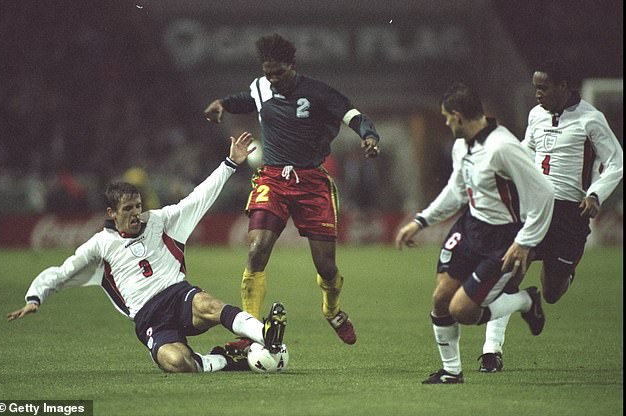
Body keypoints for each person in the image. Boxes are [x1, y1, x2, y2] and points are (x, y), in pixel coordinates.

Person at [7, 132, 288, 373]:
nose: (135, 213)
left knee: (207, 305)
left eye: (137, 206)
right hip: (149, 317)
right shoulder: (99, 246)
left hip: (179, 296)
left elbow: (200, 196)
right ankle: (227, 360)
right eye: (127, 209)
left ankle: (266, 334)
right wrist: (35, 296)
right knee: (179, 363)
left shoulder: (161, 221)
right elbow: (61, 272)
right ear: (111, 213)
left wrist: (229, 164)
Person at [203, 33, 380, 346]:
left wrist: (369, 135)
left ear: (292, 66)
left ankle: (332, 310)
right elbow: (247, 98)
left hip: (312, 183)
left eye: (278, 73)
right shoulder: (261, 86)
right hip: (272, 179)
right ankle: (250, 330)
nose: (272, 79)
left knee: (326, 266)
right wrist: (222, 104)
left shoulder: (317, 91)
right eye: (267, 72)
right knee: (257, 250)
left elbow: (350, 114)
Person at [395, 82, 555, 384]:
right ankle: (451, 371)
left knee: (463, 311)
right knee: (441, 298)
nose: (444, 122)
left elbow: (544, 193)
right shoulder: (462, 145)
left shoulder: (503, 148)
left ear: (457, 116)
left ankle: (526, 301)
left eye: (446, 117)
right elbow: (456, 191)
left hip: (501, 239)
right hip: (470, 227)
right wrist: (421, 220)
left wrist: (525, 241)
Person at [478, 59, 624, 373]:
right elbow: (527, 149)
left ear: (563, 87)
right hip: (533, 206)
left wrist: (596, 193)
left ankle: (556, 279)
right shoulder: (535, 116)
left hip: (569, 215)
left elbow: (616, 162)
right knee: (509, 271)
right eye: (535, 88)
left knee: (553, 292)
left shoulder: (590, 120)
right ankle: (491, 351)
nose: (537, 94)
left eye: (543, 88)